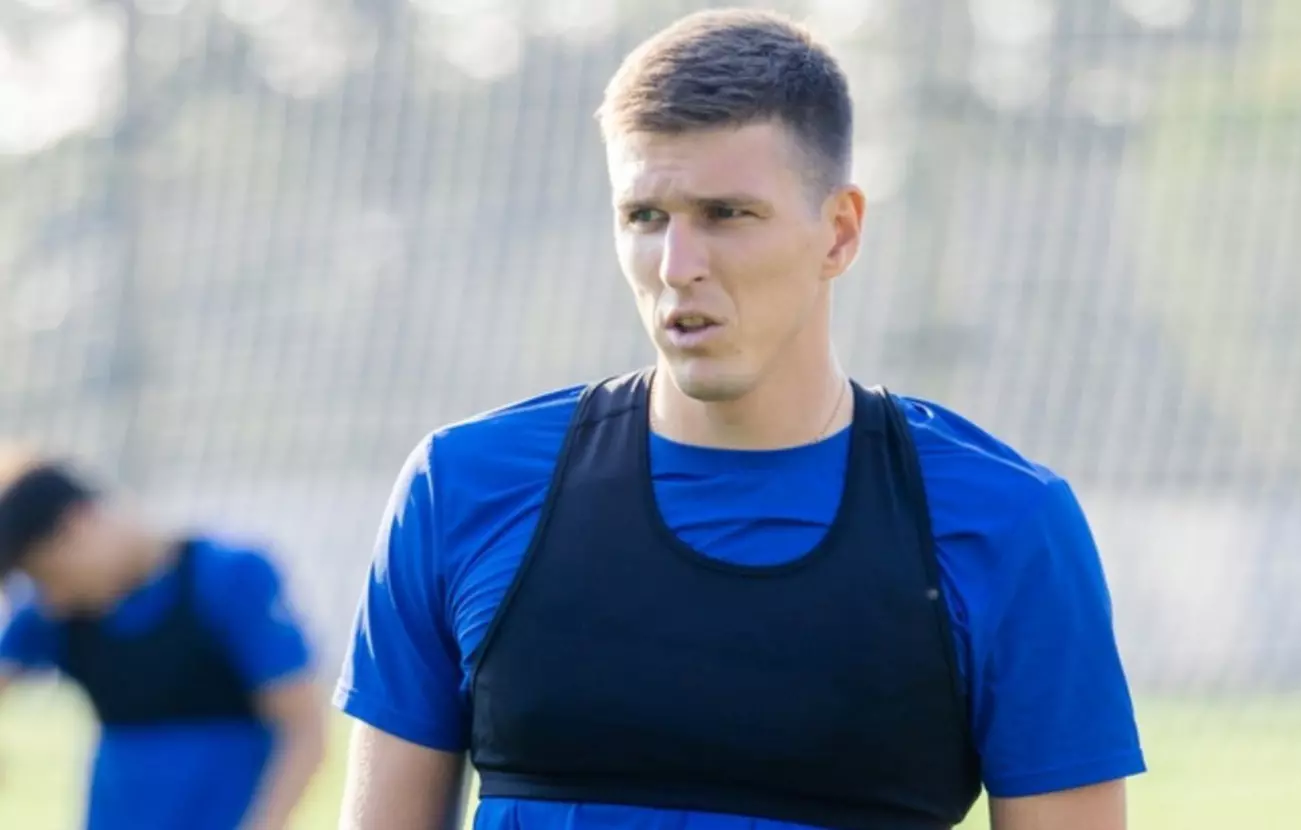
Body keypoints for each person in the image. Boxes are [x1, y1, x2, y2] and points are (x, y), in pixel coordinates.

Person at [334, 8, 1146, 830]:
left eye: (727, 213)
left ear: (839, 233)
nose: (677, 266)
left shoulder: (1005, 522)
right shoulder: (463, 489)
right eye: (644, 216)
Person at [0, 449, 327, 830]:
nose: (51, 598)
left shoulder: (228, 577)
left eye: (47, 575)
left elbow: (303, 728)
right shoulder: (56, 613)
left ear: (78, 525)